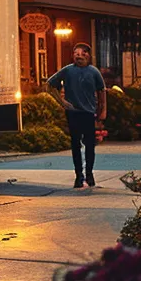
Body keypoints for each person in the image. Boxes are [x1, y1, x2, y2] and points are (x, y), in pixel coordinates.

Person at [48, 43, 107, 188]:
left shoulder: (94, 72)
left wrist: (102, 110)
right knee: (75, 144)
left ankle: (89, 174)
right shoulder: (67, 70)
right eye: (76, 53)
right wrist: (61, 102)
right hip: (73, 112)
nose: (79, 56)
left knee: (90, 145)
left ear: (88, 55)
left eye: (82, 53)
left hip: (88, 112)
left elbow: (101, 91)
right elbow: (50, 84)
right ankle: (78, 175)